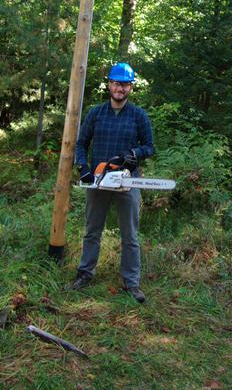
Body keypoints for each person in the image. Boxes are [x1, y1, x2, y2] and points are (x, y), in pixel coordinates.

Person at [70, 62, 154, 303]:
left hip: (128, 180)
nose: (120, 88)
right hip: (98, 178)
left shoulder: (139, 115)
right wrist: (83, 168)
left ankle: (131, 282)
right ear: (109, 85)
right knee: (92, 230)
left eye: (125, 84)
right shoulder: (96, 113)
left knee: (130, 234)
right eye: (117, 83)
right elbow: (81, 143)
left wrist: (136, 154)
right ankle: (85, 273)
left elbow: (149, 146)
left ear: (130, 88)